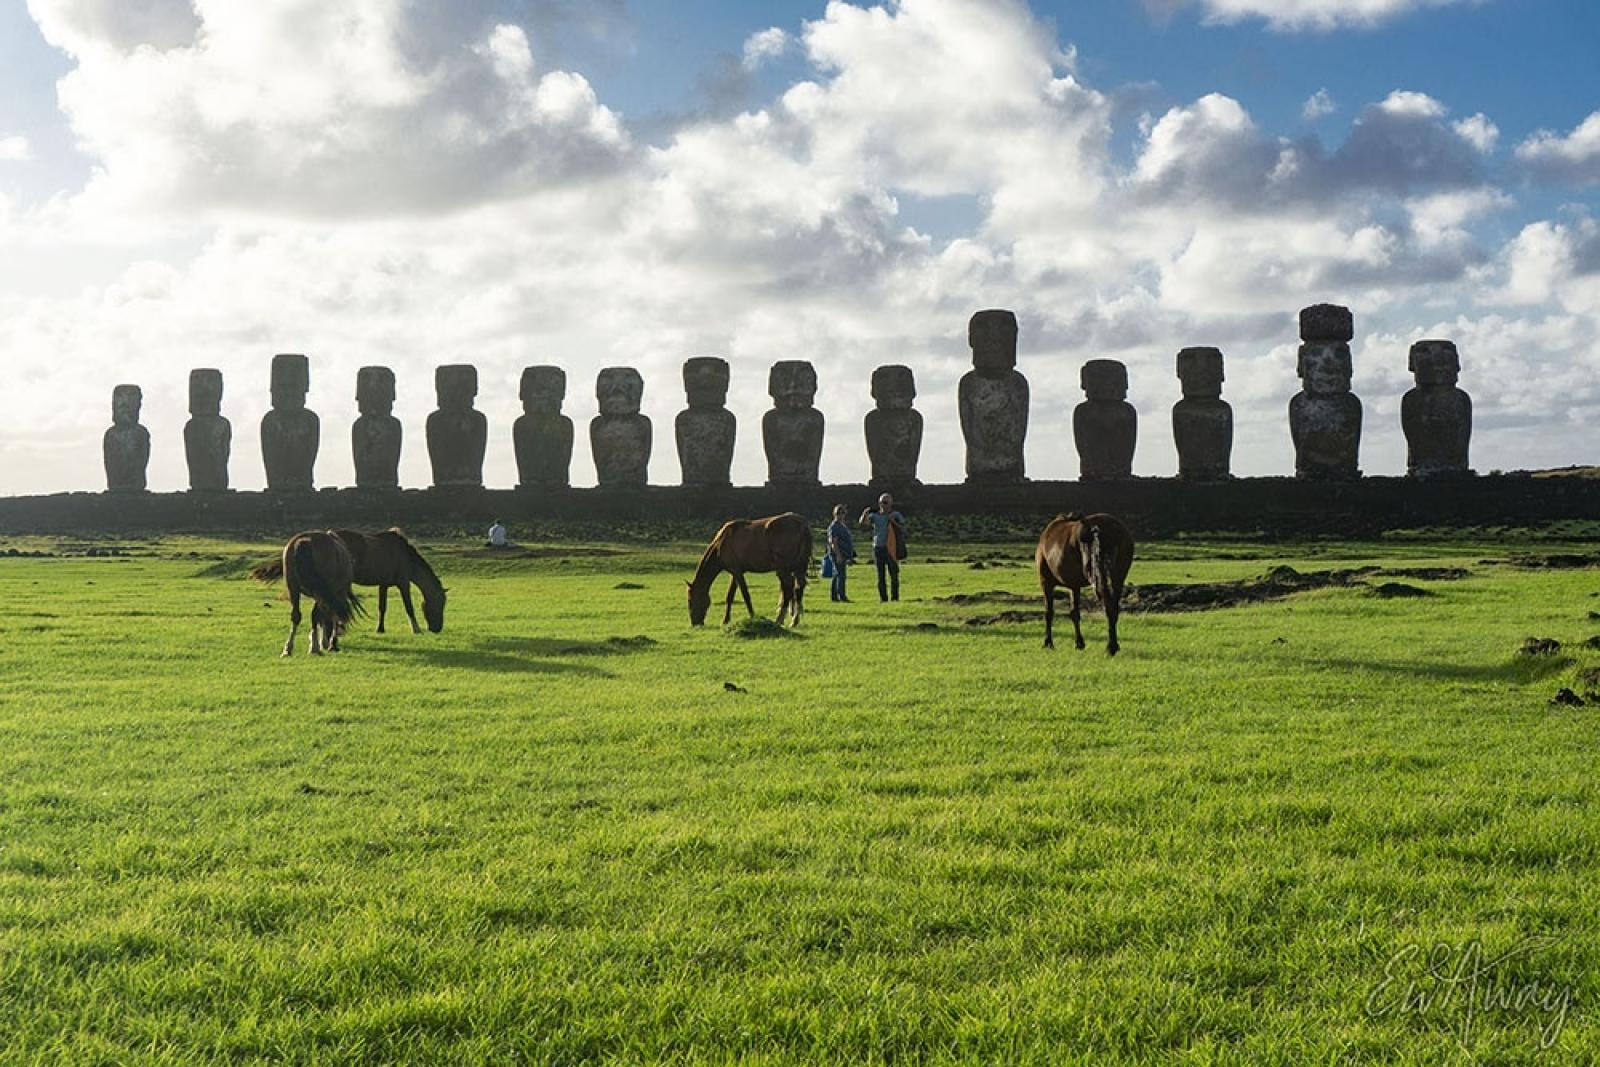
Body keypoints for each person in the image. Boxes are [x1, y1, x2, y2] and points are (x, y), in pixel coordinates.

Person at [859, 493, 906, 602]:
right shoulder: (875, 516)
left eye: (886, 502)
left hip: (891, 547)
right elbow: (863, 525)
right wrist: (864, 514)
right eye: (881, 502)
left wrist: (893, 521)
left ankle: (895, 598)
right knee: (881, 576)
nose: (883, 505)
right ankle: (883, 598)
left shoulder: (896, 515)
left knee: (894, 575)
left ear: (890, 503)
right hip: (878, 548)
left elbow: (903, 529)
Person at [825, 504, 856, 602]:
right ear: (834, 514)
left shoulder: (842, 525)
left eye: (842, 513)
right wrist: (838, 555)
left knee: (837, 574)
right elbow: (833, 541)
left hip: (844, 553)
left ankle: (834, 596)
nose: (841, 515)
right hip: (838, 553)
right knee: (841, 575)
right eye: (838, 513)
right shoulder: (834, 526)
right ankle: (842, 595)